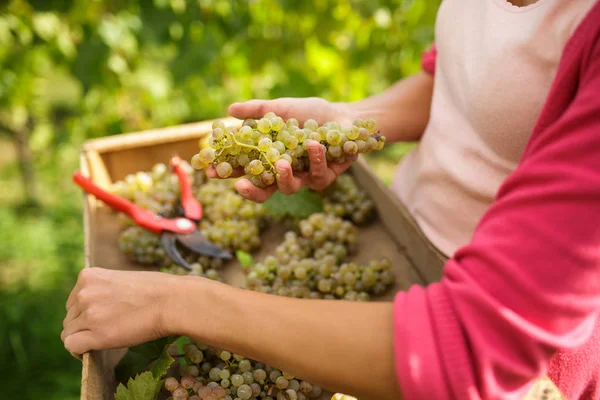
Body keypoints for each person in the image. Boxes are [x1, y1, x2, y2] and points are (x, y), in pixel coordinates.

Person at [61, 0, 600, 399]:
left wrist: (174, 302)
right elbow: (460, 81)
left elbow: (472, 345)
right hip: (398, 247)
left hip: (498, 347)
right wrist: (353, 123)